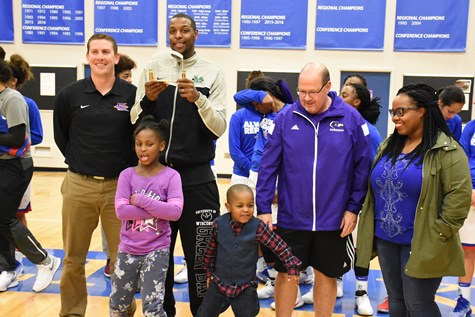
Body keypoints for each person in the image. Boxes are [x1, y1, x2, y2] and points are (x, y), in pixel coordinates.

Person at [256, 62, 372, 317]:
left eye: (313, 92)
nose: (306, 98)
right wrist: (263, 208)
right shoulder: (287, 117)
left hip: (333, 219)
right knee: (287, 275)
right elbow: (268, 165)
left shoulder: (350, 118)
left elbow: (363, 167)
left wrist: (353, 208)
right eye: (302, 91)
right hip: (292, 216)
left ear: (328, 87)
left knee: (326, 275)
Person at [130, 13, 227, 316]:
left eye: (184, 30)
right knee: (160, 259)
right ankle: (163, 312)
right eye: (172, 31)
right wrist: (146, 99)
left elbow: (219, 126)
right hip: (157, 182)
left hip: (197, 180)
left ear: (195, 34)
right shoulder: (153, 67)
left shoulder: (212, 73)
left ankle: (203, 312)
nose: (178, 36)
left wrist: (199, 99)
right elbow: (134, 118)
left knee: (201, 259)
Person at [356, 83, 472, 317]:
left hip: (422, 242)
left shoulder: (447, 150)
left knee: (418, 304)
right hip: (386, 239)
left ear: (422, 111)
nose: (395, 118)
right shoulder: (390, 145)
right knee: (397, 301)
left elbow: (459, 199)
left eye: (401, 112)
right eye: (393, 113)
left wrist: (438, 233)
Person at [53, 34, 137, 317]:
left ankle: (124, 312)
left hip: (120, 189)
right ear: (87, 57)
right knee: (73, 259)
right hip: (79, 185)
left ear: (116, 57)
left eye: (106, 52)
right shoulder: (69, 95)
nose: (100, 57)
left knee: (124, 259)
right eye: (95, 52)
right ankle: (73, 312)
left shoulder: (131, 94)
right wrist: (82, 164)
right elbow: (61, 137)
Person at [233, 76, 304, 306]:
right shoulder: (264, 111)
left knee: (282, 236)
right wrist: (260, 97)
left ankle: (297, 289)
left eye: (258, 101)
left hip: (277, 177)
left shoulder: (291, 113)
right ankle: (274, 282)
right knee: (263, 235)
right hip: (257, 175)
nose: (254, 107)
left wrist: (278, 187)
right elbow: (237, 97)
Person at [109, 116, 184, 317]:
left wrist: (141, 200)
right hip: (127, 250)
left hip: (157, 250)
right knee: (117, 306)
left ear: (161, 146)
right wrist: (159, 209)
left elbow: (175, 212)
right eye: (139, 144)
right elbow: (121, 211)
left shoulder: (171, 176)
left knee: (153, 308)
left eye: (149, 144)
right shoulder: (127, 175)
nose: (143, 149)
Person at [0, 59, 60, 293]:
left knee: (7, 218)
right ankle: (9, 268)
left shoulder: (13, 99)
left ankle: (45, 261)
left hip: (16, 165)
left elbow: (18, 139)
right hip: (3, 164)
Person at [197, 184, 301, 317]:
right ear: (228, 207)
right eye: (240, 206)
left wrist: (292, 267)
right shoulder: (218, 224)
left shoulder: (258, 227)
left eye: (250, 205)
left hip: (245, 288)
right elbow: (210, 252)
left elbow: (280, 247)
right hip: (219, 284)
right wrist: (208, 272)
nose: (246, 210)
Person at [100, 53, 138, 278]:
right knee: (113, 217)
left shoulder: (133, 95)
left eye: (131, 75)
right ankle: (110, 257)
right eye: (126, 75)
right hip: (111, 172)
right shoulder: (105, 100)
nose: (130, 80)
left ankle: (133, 257)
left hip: (133, 168)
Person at [451, 119, 475, 317]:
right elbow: (463, 158)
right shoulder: (471, 127)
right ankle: (464, 301)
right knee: (467, 251)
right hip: (471, 195)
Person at [228, 71, 263, 186]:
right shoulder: (238, 116)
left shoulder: (269, 115)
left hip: (264, 175)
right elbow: (234, 151)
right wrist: (252, 170)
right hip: (241, 176)